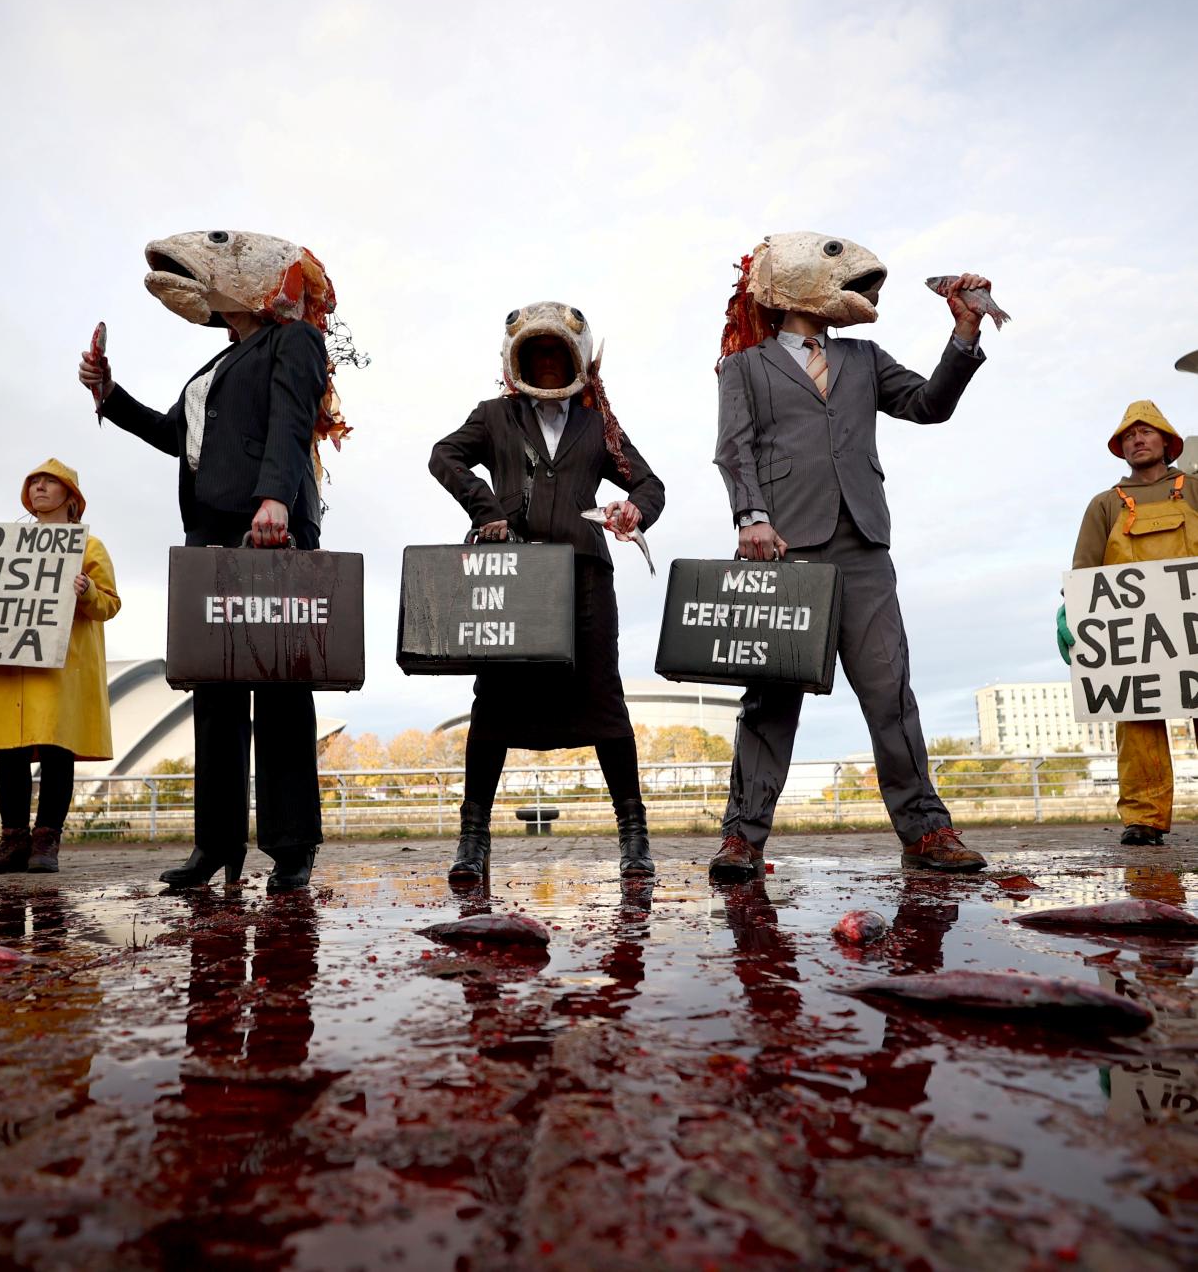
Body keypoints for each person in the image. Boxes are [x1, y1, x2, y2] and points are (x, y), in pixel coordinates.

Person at [712, 231, 994, 879]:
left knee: (889, 689)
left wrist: (964, 336)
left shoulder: (865, 359)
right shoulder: (745, 368)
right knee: (771, 700)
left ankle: (927, 831)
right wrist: (751, 517)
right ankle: (742, 838)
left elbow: (929, 406)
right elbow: (736, 449)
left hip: (863, 544)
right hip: (781, 549)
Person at [79, 229, 351, 893]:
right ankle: (216, 846)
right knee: (216, 695)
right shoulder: (216, 364)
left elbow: (290, 420)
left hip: (270, 527)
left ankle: (291, 847)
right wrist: (110, 396)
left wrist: (275, 502)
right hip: (210, 537)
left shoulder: (295, 339)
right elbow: (178, 435)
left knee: (282, 689)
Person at [429, 301, 665, 881]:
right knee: (497, 699)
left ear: (575, 360)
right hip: (517, 577)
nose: (548, 363)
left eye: (557, 355)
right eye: (536, 354)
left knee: (604, 698)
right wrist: (488, 511)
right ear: (519, 361)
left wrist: (635, 509)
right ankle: (472, 841)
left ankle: (634, 839)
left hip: (587, 576)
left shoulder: (596, 424)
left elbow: (651, 483)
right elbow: (444, 457)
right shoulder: (494, 416)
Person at [0, 460, 120, 874]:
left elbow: (109, 604)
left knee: (57, 751)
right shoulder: (5, 545)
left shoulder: (89, 547)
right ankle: (13, 842)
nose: (38, 487)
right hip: (9, 664)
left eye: (49, 482)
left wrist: (87, 592)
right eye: (33, 482)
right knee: (8, 753)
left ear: (70, 496)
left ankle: (46, 842)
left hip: (60, 668)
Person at [1063, 400, 1198, 846]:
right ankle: (1144, 819)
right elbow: (1084, 571)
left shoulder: (1195, 489)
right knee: (1137, 721)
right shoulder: (1104, 505)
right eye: (1128, 436)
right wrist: (1073, 613)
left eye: (1146, 432)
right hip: (1135, 646)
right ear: (1121, 449)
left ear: (1166, 441)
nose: (1137, 440)